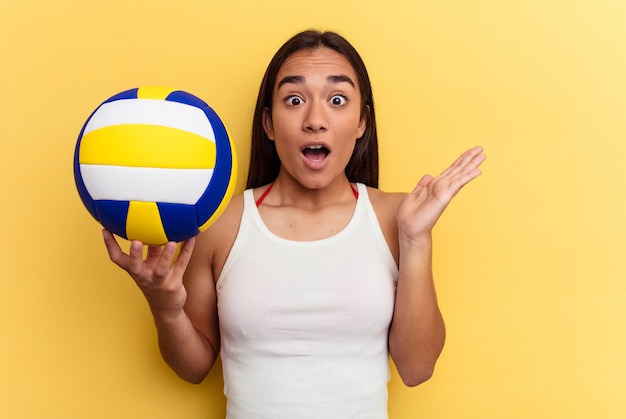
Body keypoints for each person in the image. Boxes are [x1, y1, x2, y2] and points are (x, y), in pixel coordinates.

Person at [103, 29, 486, 418]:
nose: (315, 120)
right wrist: (164, 307)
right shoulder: (222, 224)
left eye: (337, 100)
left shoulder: (398, 219)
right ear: (269, 124)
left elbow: (417, 369)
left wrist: (416, 239)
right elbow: (194, 367)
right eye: (294, 100)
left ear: (361, 123)